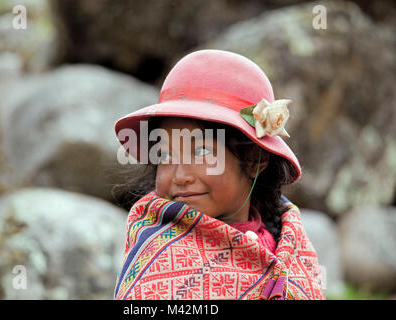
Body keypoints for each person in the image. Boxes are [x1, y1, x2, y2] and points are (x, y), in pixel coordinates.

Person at [113, 49, 325, 300]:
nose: (180, 176)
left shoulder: (292, 248)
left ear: (255, 160)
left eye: (202, 151)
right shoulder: (157, 255)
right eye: (165, 155)